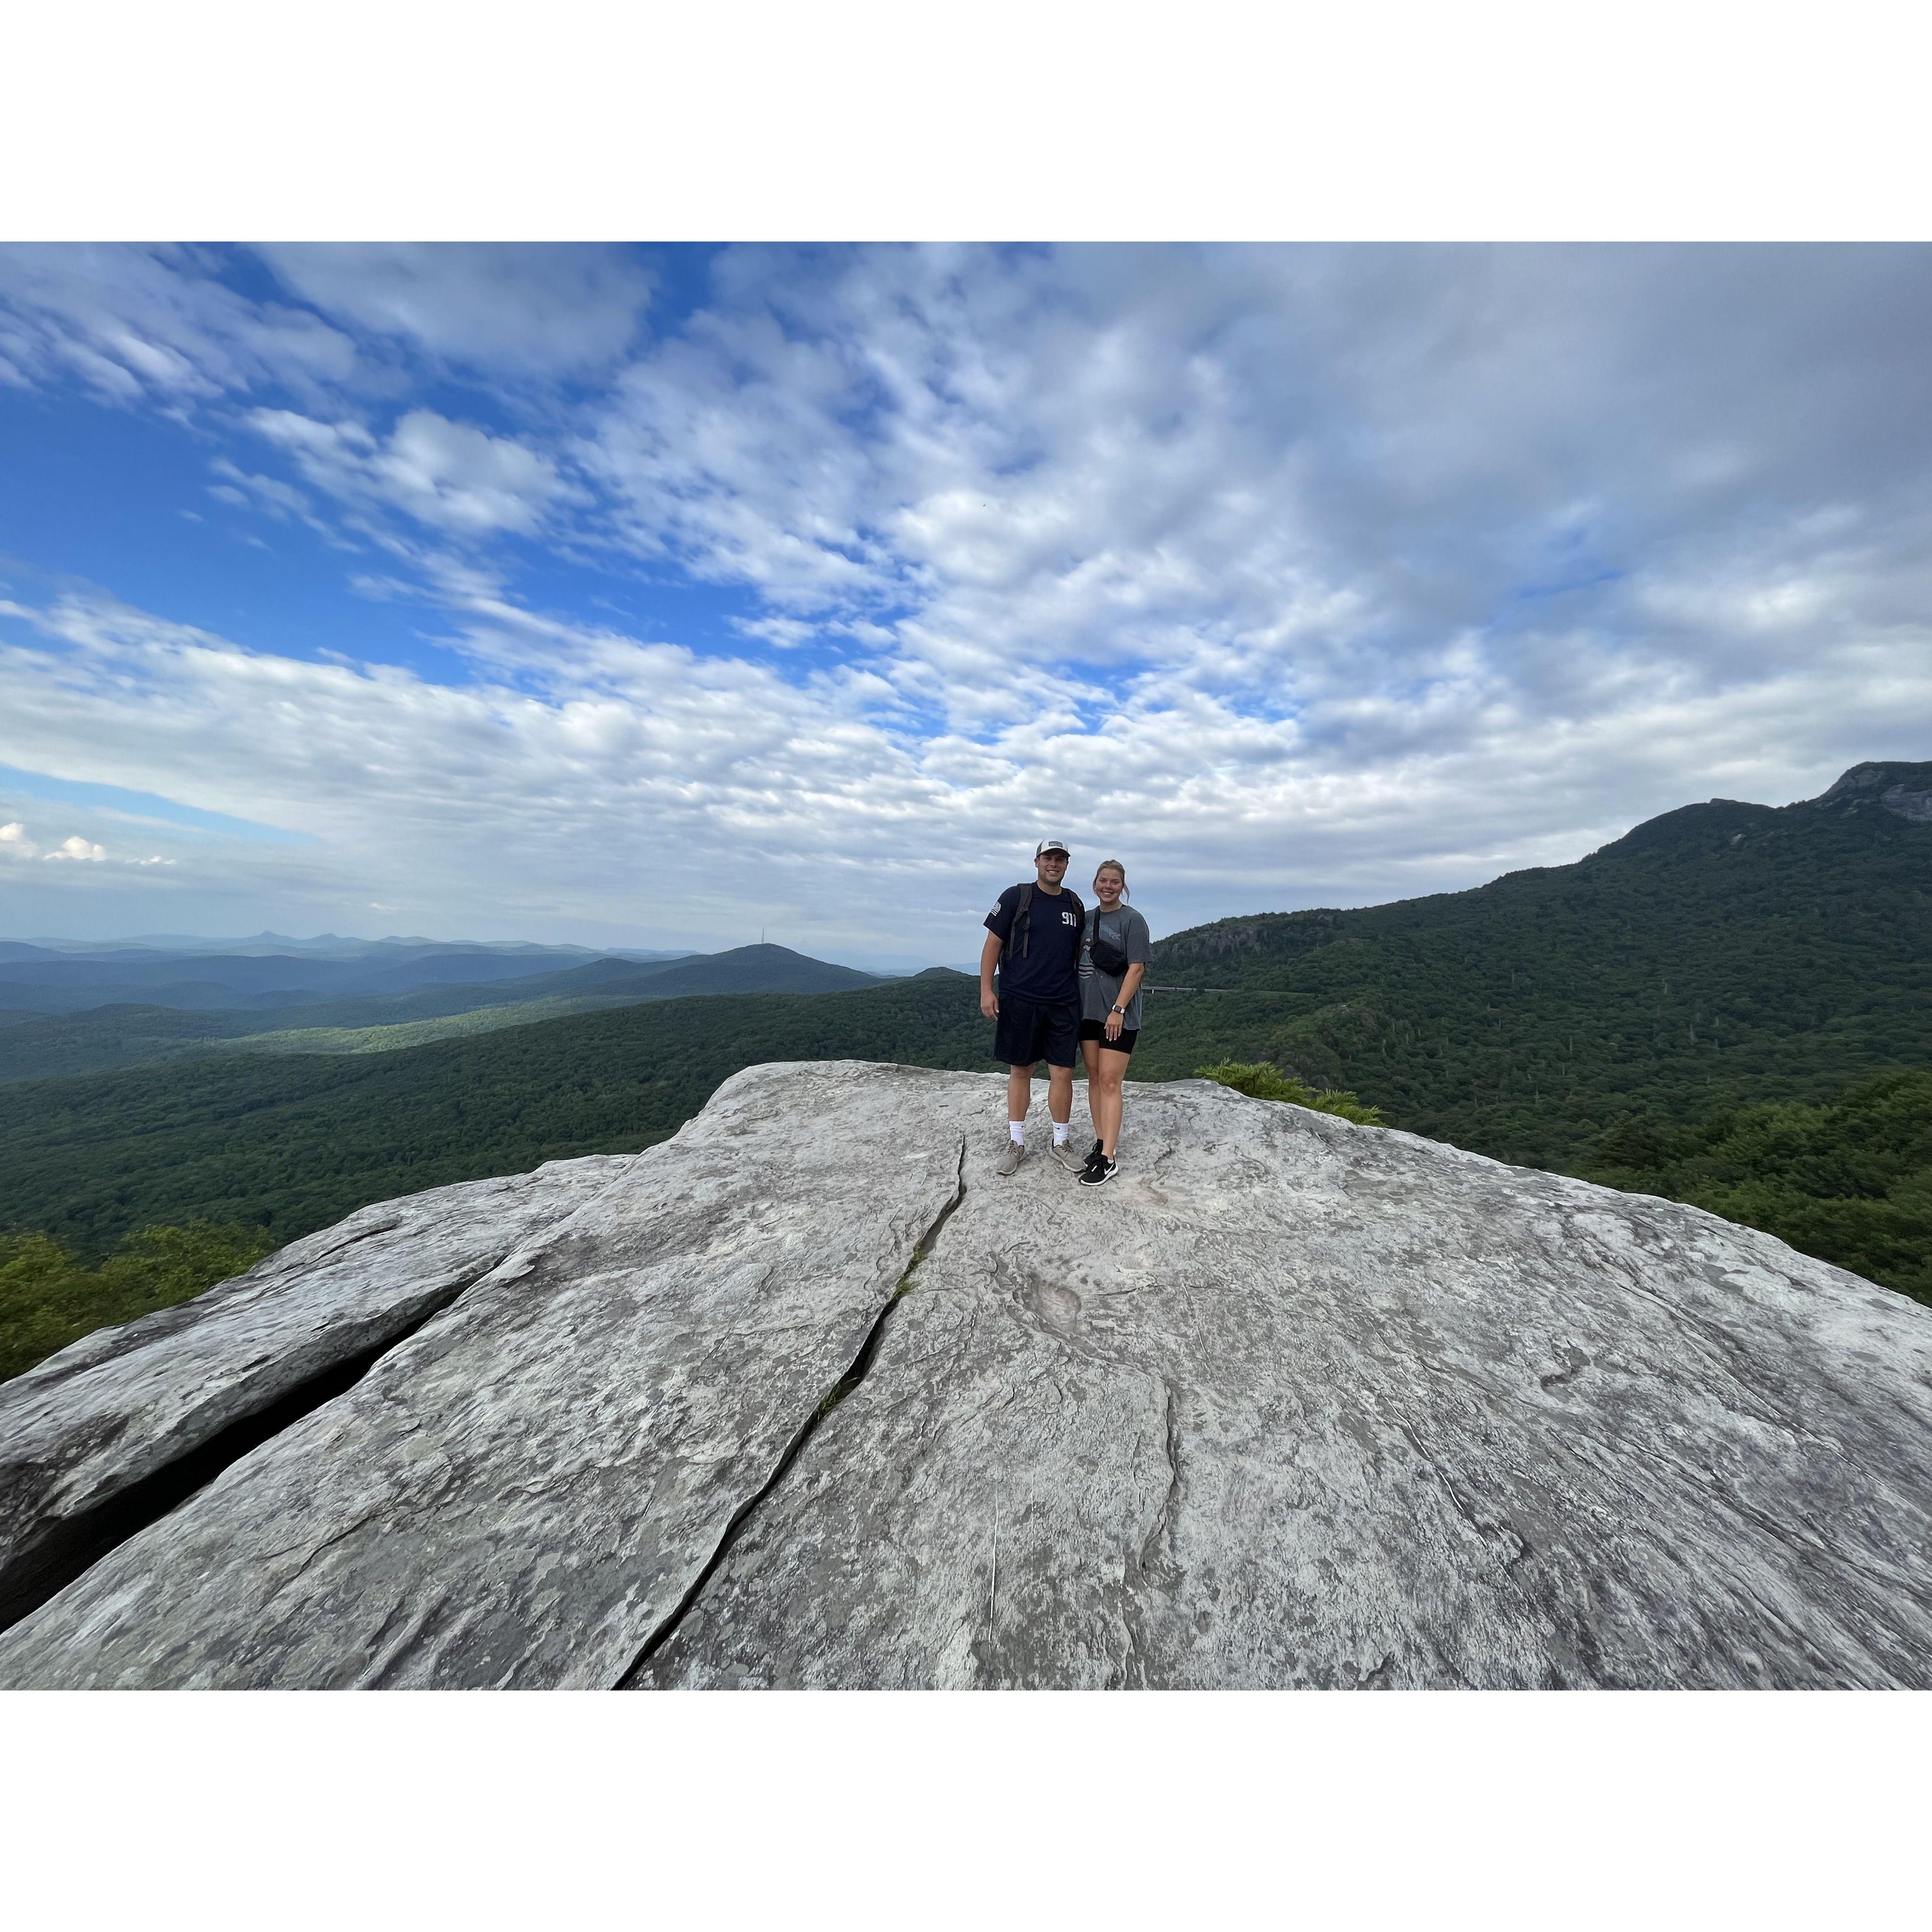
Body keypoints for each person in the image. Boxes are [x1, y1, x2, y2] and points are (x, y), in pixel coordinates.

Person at [980, 839, 1088, 1176]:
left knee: (1063, 1073)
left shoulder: (1075, 904)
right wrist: (986, 990)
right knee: (1021, 1071)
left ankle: (1061, 1142)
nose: (1054, 864)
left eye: (1060, 859)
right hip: (1020, 998)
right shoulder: (1017, 897)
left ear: (1067, 865)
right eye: (1048, 858)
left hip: (1063, 1001)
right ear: (1037, 862)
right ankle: (1016, 1143)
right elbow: (992, 945)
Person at [1076, 859, 1151, 1185]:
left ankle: (1109, 1159)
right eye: (1103, 881)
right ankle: (1101, 1141)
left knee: (1109, 1081)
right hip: (1088, 1012)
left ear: (1123, 886)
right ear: (1095, 883)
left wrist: (1118, 1010)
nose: (1108, 886)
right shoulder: (1088, 920)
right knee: (1094, 1077)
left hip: (1117, 1016)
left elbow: (1137, 969)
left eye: (1115, 882)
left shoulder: (1133, 920)